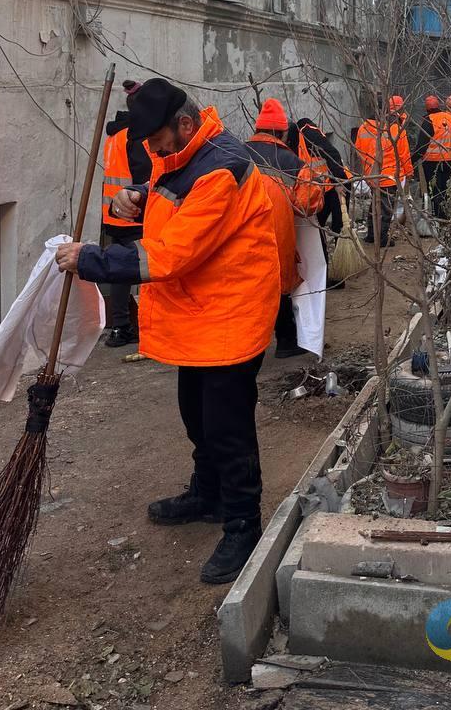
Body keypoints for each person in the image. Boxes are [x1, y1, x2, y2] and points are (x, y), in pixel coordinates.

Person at [56, 78, 281, 585]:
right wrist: (136, 199)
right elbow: (169, 200)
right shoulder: (184, 156)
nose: (154, 152)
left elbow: (170, 254)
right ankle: (208, 493)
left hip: (230, 314)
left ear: (184, 124)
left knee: (228, 426)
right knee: (195, 414)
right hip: (202, 313)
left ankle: (242, 522)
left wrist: (91, 258)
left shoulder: (221, 168)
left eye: (158, 142)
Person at [247, 99, 324, 358]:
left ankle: (247, 345)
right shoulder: (292, 163)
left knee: (247, 289)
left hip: (239, 237)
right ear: (282, 132)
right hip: (275, 236)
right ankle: (286, 341)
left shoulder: (235, 154)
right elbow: (307, 204)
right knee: (278, 287)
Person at [99, 79, 151, 347]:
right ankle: (148, 325)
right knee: (147, 267)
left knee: (120, 270)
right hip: (134, 212)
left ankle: (120, 327)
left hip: (114, 214)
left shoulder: (114, 135)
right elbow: (146, 178)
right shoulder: (137, 137)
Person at [355, 96, 414, 248]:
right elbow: (404, 153)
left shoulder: (364, 126)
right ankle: (381, 238)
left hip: (372, 175)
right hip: (388, 175)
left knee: (374, 205)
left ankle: (371, 235)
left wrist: (368, 170)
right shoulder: (395, 127)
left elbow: (358, 150)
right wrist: (409, 172)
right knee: (386, 209)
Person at [413, 95, 451, 220]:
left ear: (426, 109)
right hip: (447, 161)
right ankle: (444, 215)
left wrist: (412, 160)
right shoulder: (450, 119)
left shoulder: (428, 121)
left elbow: (422, 146)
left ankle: (435, 217)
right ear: (439, 105)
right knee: (444, 189)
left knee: (433, 190)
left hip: (431, 162)